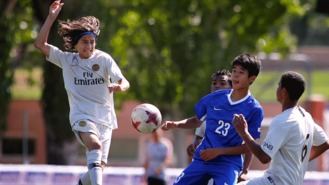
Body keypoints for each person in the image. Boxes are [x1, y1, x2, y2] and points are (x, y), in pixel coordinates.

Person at [34, 1, 130, 185]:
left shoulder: (104, 59)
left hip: (105, 119)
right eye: (85, 42)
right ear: (76, 44)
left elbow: (124, 80)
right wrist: (51, 17)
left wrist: (120, 87)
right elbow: (40, 44)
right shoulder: (66, 60)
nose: (90, 46)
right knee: (95, 145)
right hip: (82, 116)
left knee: (98, 167)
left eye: (92, 42)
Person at [162, 53, 264, 185]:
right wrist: (175, 124)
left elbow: (249, 147)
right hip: (202, 159)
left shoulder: (254, 109)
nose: (235, 75)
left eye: (241, 72)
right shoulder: (215, 98)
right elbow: (197, 120)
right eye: (234, 71)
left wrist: (220, 152)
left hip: (228, 164)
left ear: (252, 78)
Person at [233, 71, 329, 185]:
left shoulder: (283, 121)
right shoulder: (305, 116)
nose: (277, 89)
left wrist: (244, 132)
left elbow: (264, 157)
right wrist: (300, 161)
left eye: (278, 85)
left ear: (283, 92)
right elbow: (325, 143)